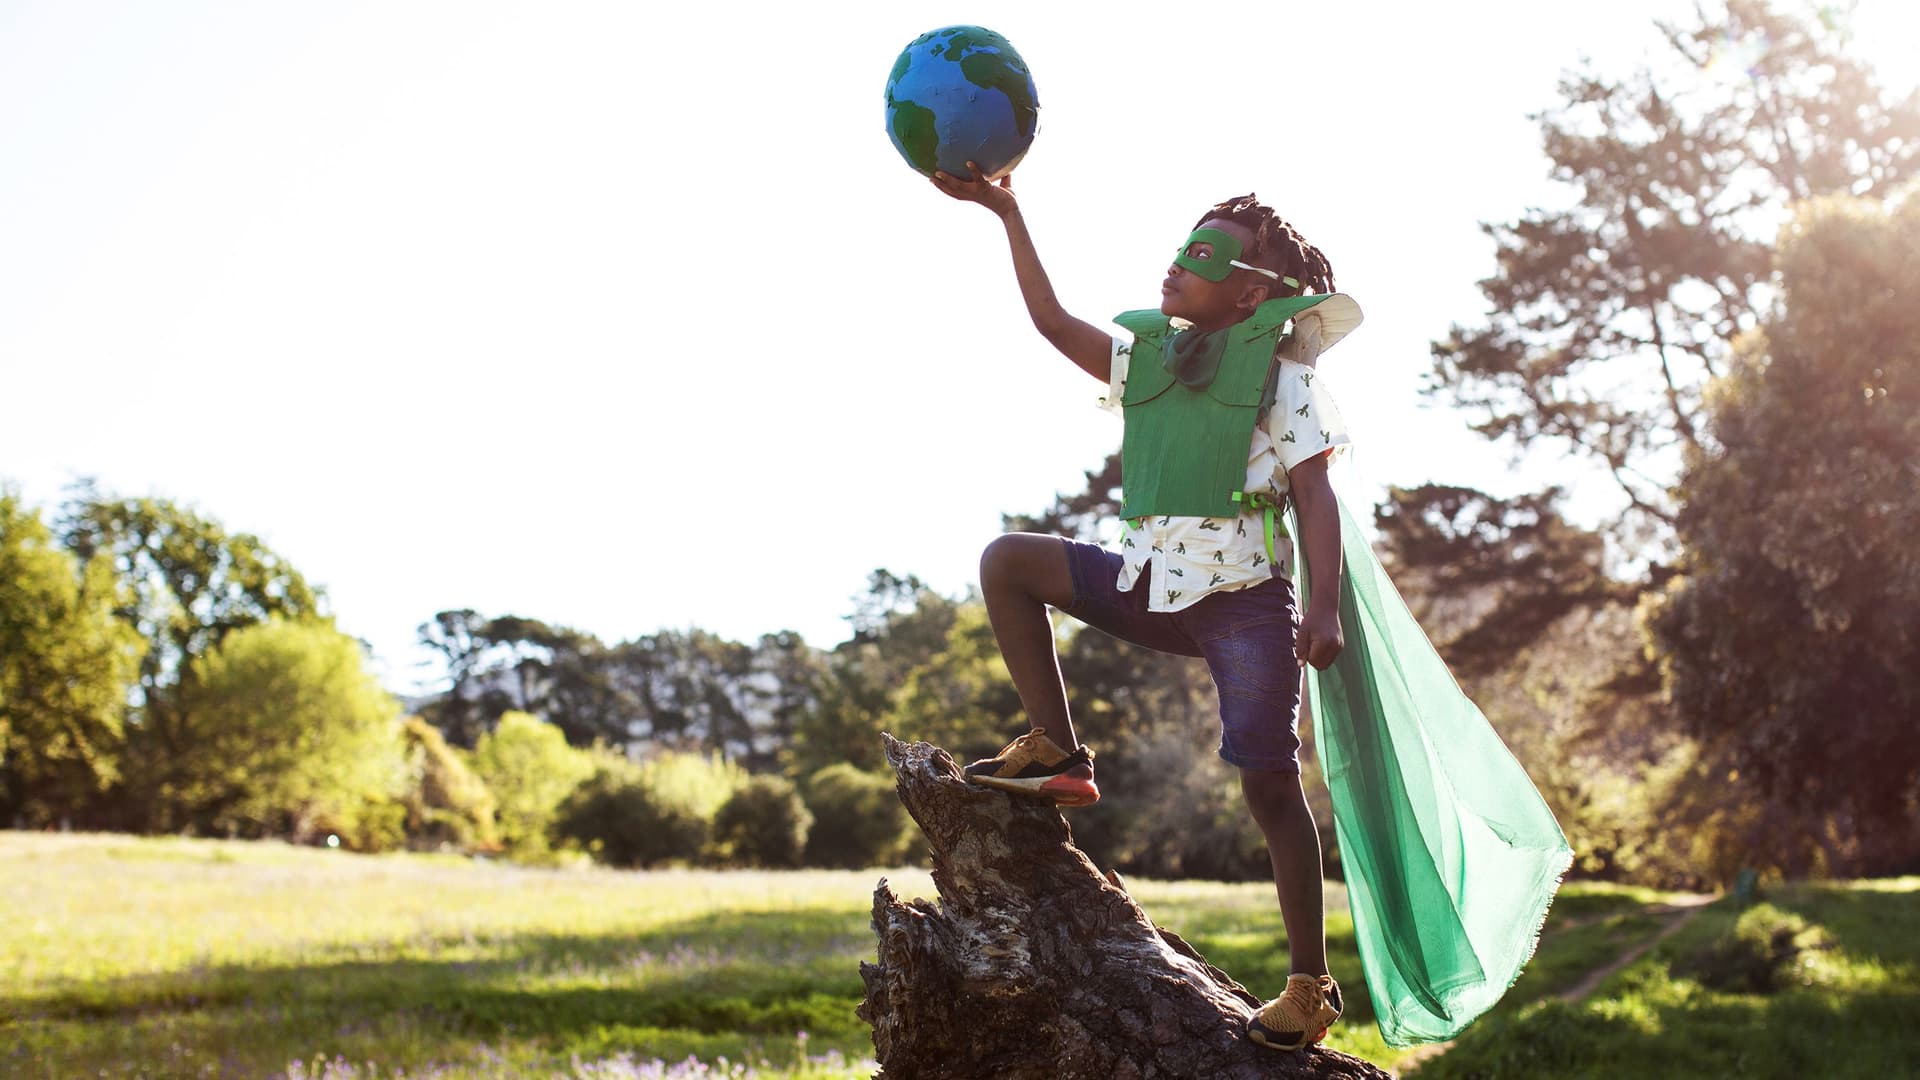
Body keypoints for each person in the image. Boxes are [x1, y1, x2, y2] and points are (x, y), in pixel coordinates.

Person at [930, 163, 1363, 1053]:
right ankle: (1056, 749)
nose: (1176, 265)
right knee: (1008, 561)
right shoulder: (1149, 361)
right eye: (1179, 247)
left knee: (1269, 785)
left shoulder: (1282, 383)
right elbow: (1051, 323)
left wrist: (1324, 607)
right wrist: (1008, 215)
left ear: (1251, 292)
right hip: (1151, 585)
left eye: (1201, 255)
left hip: (1244, 606)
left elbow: (1316, 499)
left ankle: (1309, 987)